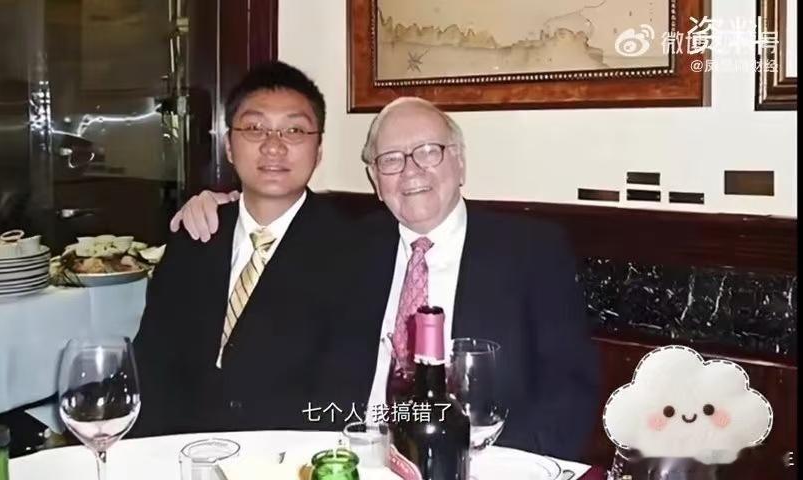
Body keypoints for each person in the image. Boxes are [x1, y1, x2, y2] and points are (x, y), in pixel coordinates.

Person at [170, 97, 600, 460]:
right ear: (375, 180)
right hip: (353, 456)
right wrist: (219, 204)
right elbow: (270, 215)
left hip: (482, 460)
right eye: (391, 160)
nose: (411, 171)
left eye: (429, 151)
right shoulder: (343, 246)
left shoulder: (531, 251)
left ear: (460, 162)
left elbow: (570, 391)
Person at [131, 61, 353, 437]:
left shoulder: (353, 249)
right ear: (229, 147)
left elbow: (343, 388)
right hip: (179, 449)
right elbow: (151, 363)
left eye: (294, 130)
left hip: (289, 453)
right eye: (254, 128)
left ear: (318, 151)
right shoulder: (195, 235)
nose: (273, 146)